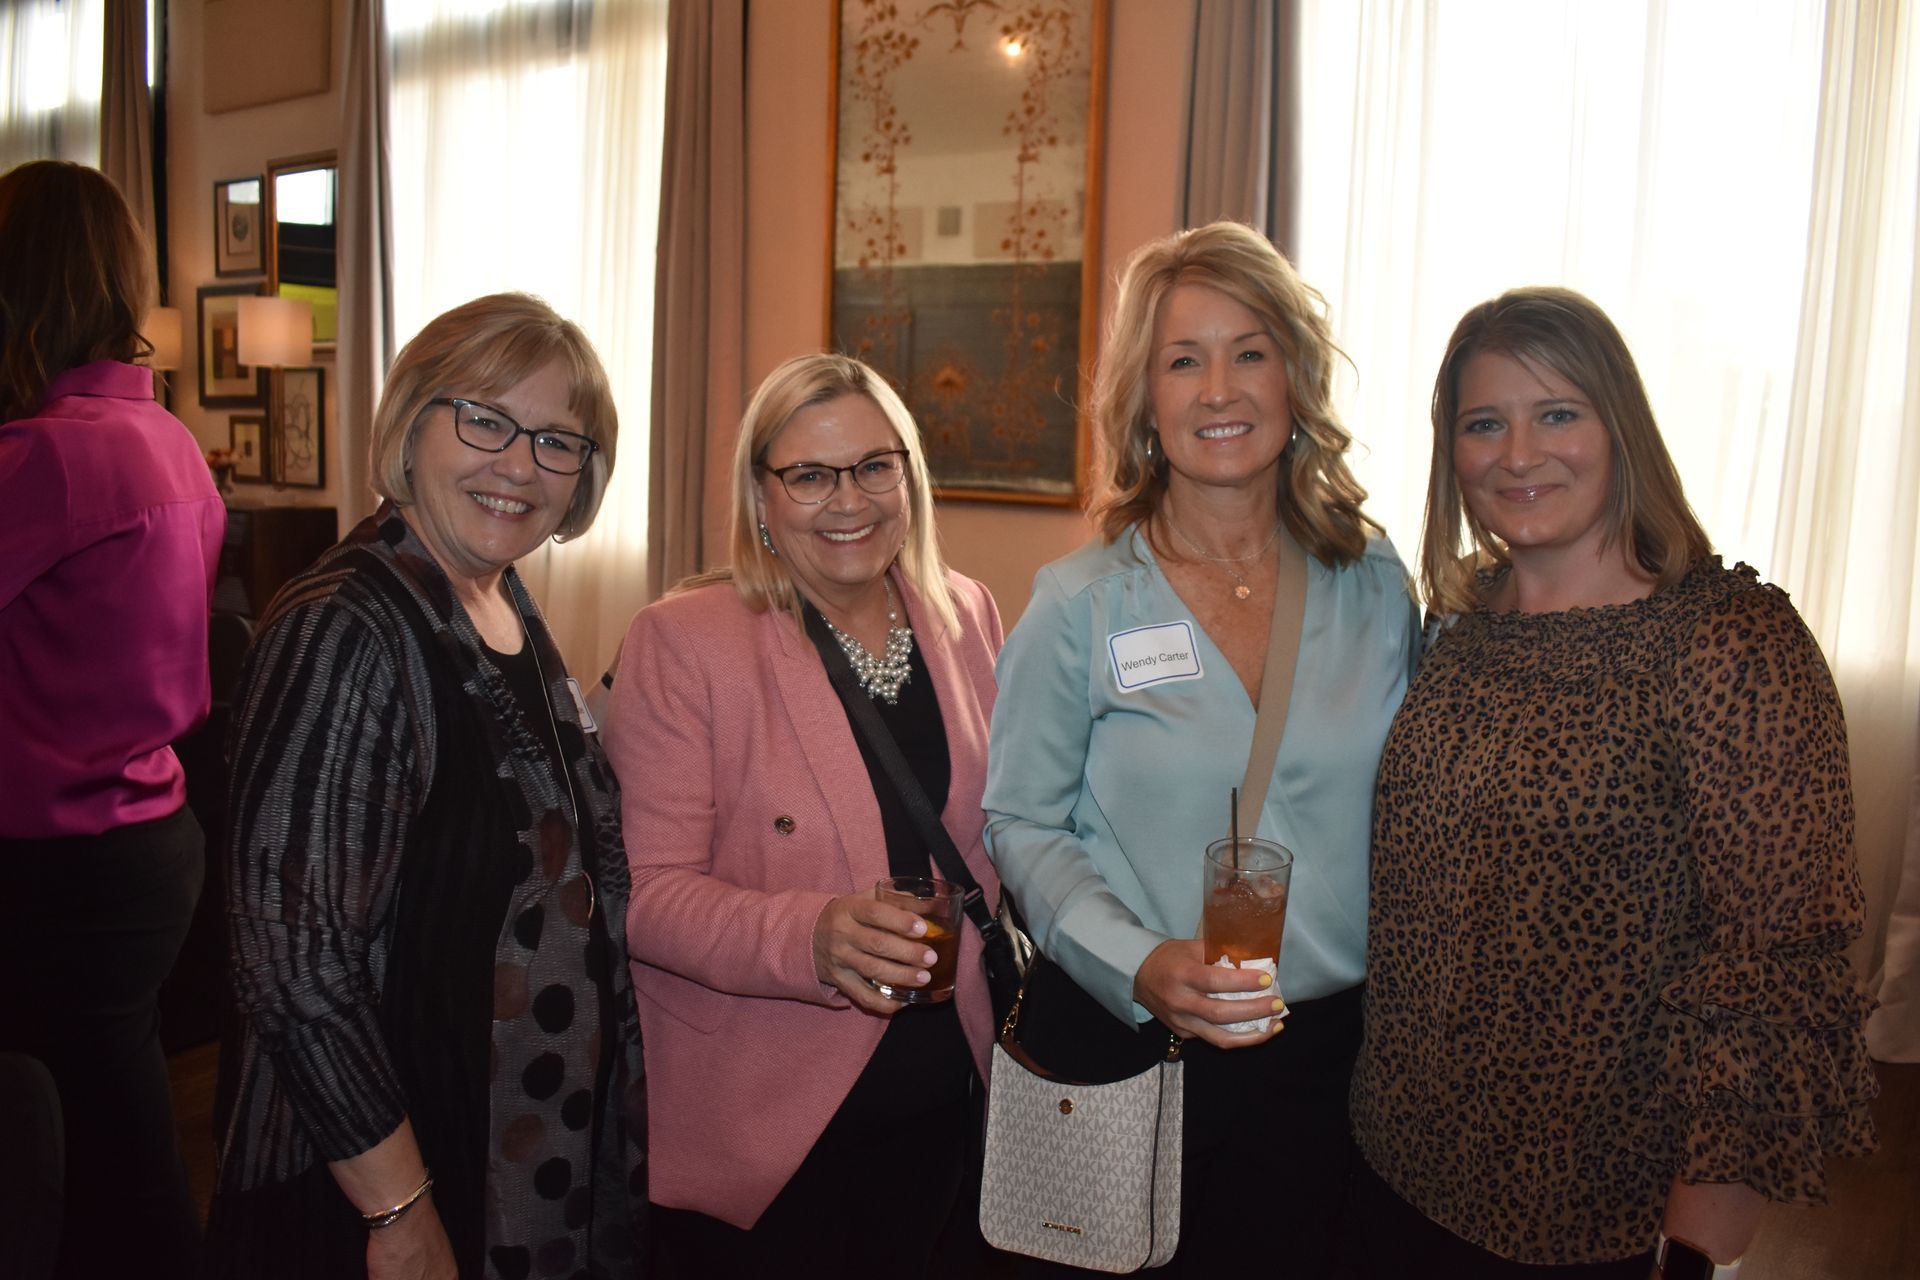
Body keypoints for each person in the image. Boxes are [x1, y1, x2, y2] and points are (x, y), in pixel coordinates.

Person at [1349, 286, 1879, 1279]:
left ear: (1618, 425)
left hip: (1597, 1203)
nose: (1517, 453)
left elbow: (1781, 952)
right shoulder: (1457, 619)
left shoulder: (1729, 640)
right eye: (1483, 423)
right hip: (1395, 1161)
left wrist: (1704, 1212)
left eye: (1557, 413)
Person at [982, 220, 1420, 1275]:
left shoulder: (1373, 587)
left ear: (1295, 379)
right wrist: (1139, 959)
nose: (1219, 388)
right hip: (1132, 1043)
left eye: (1250, 351)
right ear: (1146, 401)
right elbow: (1021, 820)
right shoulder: (1081, 604)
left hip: (1325, 1061)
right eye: (1184, 359)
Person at [204, 294, 645, 1279]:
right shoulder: (345, 628)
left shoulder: (496, 598)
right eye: (486, 419)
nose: (520, 464)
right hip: (374, 1176)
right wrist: (397, 1207)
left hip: (498, 1146)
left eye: (556, 440)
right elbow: (293, 957)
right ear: (412, 422)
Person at [601, 353, 1004, 1277]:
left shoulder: (966, 615)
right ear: (761, 498)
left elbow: (998, 839)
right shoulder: (684, 641)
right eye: (810, 475)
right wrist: (811, 936)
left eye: (873, 466)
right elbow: (642, 894)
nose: (847, 500)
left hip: (952, 1098)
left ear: (909, 476)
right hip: (770, 1132)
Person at [0, 159, 222, 1280]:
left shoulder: (45, 454)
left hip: (57, 861)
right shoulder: (167, 437)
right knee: (117, 1143)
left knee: (80, 1163)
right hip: (146, 838)